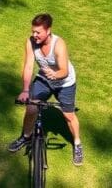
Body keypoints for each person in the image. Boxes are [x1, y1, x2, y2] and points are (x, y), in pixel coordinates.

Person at [8, 13, 83, 166]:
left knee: (69, 115)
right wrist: (25, 90)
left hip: (64, 83)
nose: (34, 35)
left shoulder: (59, 44)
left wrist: (55, 74)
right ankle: (26, 136)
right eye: (33, 31)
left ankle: (77, 144)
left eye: (38, 32)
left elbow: (64, 71)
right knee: (31, 108)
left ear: (48, 31)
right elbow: (29, 66)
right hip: (44, 80)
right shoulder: (31, 42)